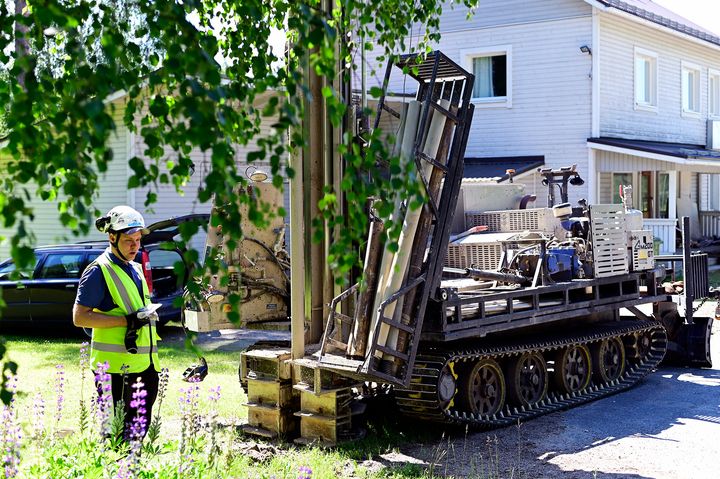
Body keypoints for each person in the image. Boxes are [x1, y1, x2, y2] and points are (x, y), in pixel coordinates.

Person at [73, 205, 161, 440]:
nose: (135, 246)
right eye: (128, 241)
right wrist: (125, 321)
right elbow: (79, 317)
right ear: (112, 237)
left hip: (145, 365)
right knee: (114, 436)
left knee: (137, 436)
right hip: (114, 371)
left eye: (138, 240)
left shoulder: (134, 267)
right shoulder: (98, 271)